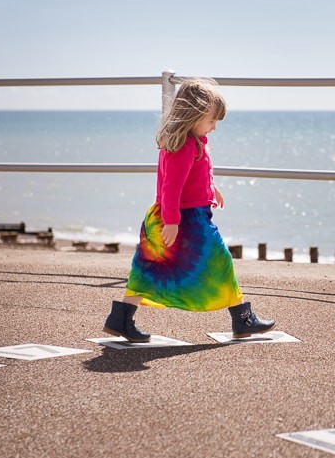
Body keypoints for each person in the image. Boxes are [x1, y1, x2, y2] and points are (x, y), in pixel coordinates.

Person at [103, 79, 275, 342]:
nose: (214, 127)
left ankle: (121, 318)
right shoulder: (184, 146)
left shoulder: (191, 141)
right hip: (186, 219)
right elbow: (171, 188)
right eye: (211, 121)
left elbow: (195, 176)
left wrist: (212, 188)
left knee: (149, 269)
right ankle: (242, 319)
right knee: (220, 261)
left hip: (175, 216)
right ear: (192, 115)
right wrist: (172, 221)